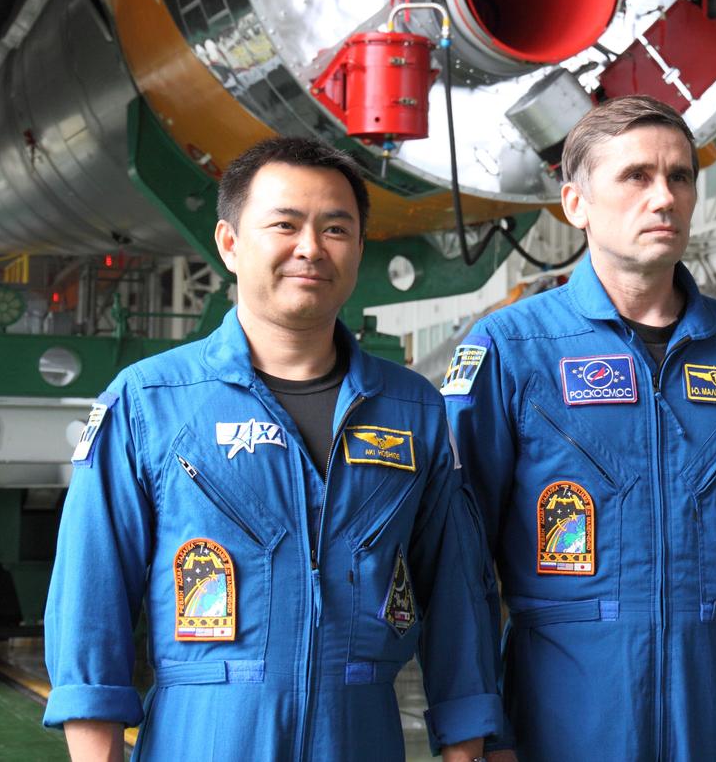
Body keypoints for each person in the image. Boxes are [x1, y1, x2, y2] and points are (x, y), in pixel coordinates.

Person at [43, 137, 500, 761]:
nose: (310, 247)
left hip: (360, 734)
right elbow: (91, 600)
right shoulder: (151, 403)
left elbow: (455, 599)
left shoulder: (413, 409)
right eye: (284, 224)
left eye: (336, 228)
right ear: (230, 244)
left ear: (360, 248)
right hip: (202, 736)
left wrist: (466, 748)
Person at [444, 95, 716, 762]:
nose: (665, 197)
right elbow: (460, 555)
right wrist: (479, 725)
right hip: (562, 710)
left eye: (680, 177)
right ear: (575, 202)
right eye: (636, 177)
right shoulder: (512, 348)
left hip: (715, 707)